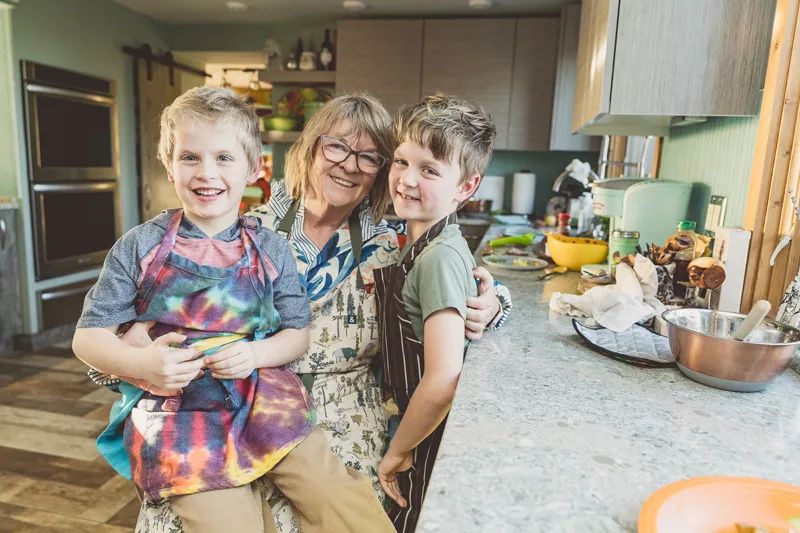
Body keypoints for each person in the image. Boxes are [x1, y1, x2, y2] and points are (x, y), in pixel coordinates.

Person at [131, 92, 512, 533]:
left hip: (346, 418)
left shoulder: (391, 243)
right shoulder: (243, 231)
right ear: (310, 148)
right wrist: (137, 357)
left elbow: (448, 275)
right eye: (336, 147)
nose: (349, 165)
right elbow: (138, 329)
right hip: (238, 406)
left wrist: (494, 302)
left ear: (380, 170)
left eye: (368, 157)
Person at [72, 87, 394, 533]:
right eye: (190, 157)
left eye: (224, 158)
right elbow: (89, 338)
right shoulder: (140, 245)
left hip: (266, 402)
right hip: (180, 416)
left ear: (253, 167)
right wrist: (141, 364)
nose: (207, 172)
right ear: (168, 164)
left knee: (341, 499)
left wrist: (256, 354)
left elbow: (297, 330)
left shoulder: (275, 246)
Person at [374, 93, 496, 532]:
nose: (407, 179)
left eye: (429, 170)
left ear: (466, 187)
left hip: (424, 437)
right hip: (416, 425)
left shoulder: (438, 258)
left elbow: (443, 380)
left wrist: (398, 450)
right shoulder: (427, 243)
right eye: (401, 161)